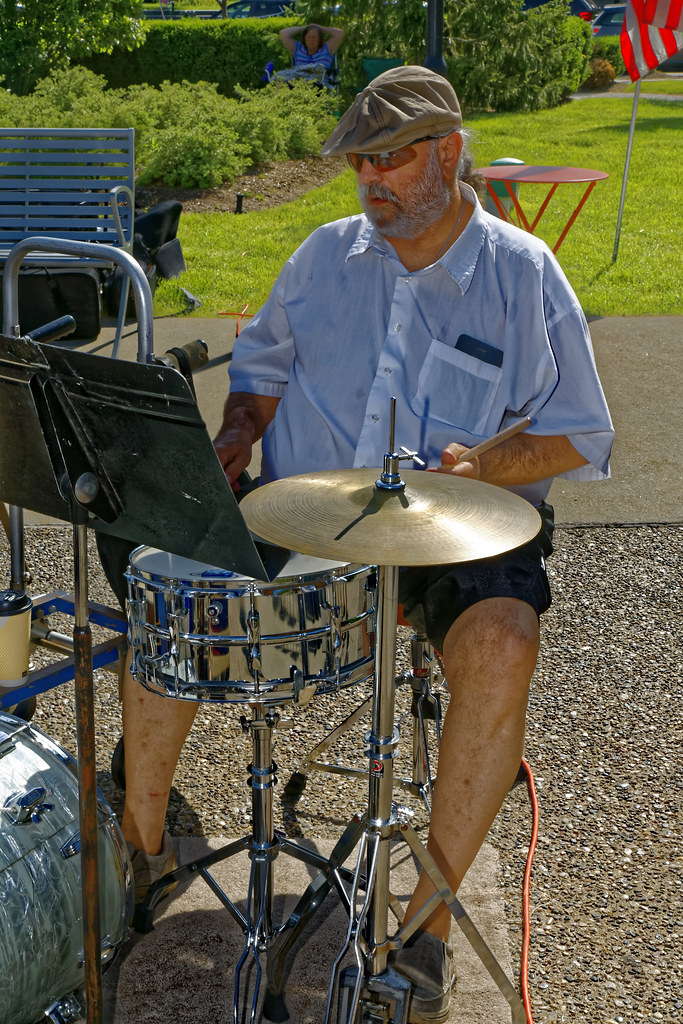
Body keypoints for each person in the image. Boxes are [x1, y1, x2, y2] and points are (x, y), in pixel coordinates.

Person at [121, 67, 613, 1024]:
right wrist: (237, 434)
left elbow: (577, 433)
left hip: (456, 529)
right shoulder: (322, 255)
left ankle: (423, 928)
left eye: (388, 159)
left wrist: (481, 468)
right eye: (358, 164)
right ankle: (141, 840)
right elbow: (259, 366)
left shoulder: (522, 272)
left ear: (447, 152)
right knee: (169, 588)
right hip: (297, 508)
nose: (370, 181)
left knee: (504, 640)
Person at [262, 23, 344, 89]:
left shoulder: (327, 49)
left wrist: (318, 27)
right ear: (304, 39)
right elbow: (283, 33)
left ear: (320, 40)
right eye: (309, 37)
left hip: (318, 82)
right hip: (296, 81)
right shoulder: (298, 49)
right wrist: (305, 27)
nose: (312, 39)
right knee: (279, 80)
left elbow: (339, 33)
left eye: (315, 37)